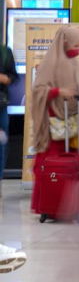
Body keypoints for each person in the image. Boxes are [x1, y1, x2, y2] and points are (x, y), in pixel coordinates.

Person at [30, 26, 79, 211]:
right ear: (65, 42)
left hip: (72, 122)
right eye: (76, 44)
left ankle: (67, 205)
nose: (78, 48)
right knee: (51, 163)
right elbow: (38, 91)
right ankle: (47, 204)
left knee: (71, 164)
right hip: (53, 123)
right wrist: (58, 91)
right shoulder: (50, 62)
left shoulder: (75, 63)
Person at [0, 41, 18, 195]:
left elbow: (14, 76)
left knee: (1, 144)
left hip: (0, 106)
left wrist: (6, 78)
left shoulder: (5, 52)